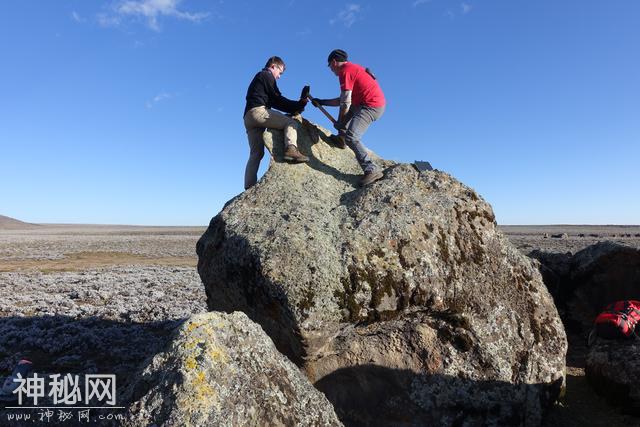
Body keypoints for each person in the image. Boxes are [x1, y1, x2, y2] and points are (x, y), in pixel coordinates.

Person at [312, 49, 386, 186]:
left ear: (334, 62)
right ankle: (341, 139)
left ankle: (372, 169)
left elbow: (345, 102)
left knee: (352, 137)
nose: (331, 70)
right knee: (344, 125)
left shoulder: (345, 71)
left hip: (371, 106)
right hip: (361, 103)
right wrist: (322, 102)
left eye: (329, 66)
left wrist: (340, 121)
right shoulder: (352, 68)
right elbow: (344, 99)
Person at [243, 56, 310, 190]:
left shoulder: (260, 78)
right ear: (273, 66)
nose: (279, 76)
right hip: (258, 112)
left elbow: (275, 102)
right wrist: (297, 106)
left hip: (248, 118)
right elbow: (277, 99)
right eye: (280, 72)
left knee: (256, 154)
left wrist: (296, 106)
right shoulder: (266, 75)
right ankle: (291, 149)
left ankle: (249, 186)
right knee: (291, 123)